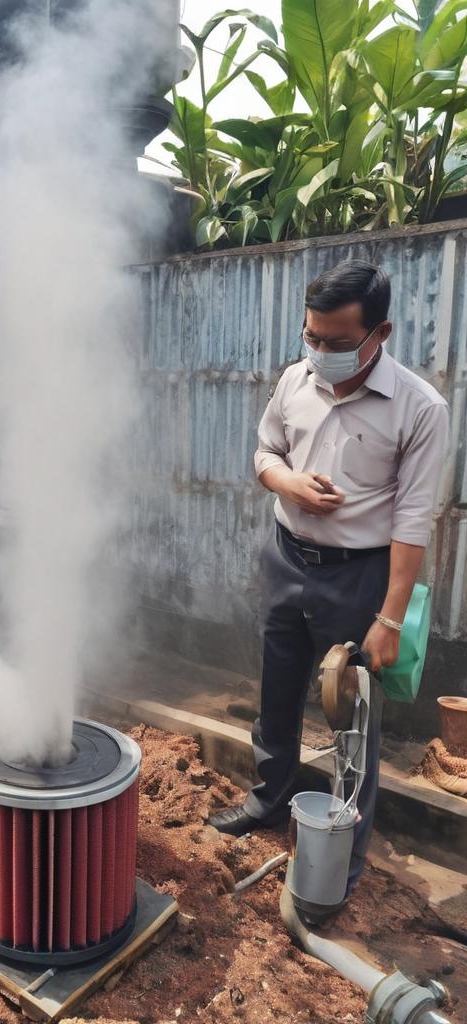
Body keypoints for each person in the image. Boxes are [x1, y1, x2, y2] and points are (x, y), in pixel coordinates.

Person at [208, 260, 449, 897]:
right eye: (311, 337)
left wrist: (390, 618)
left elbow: (414, 519)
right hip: (287, 559)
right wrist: (288, 483)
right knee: (278, 692)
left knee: (354, 719)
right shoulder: (296, 380)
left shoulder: (421, 410)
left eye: (338, 343)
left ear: (381, 333)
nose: (320, 352)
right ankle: (269, 799)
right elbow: (265, 454)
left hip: (360, 577)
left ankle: (340, 857)